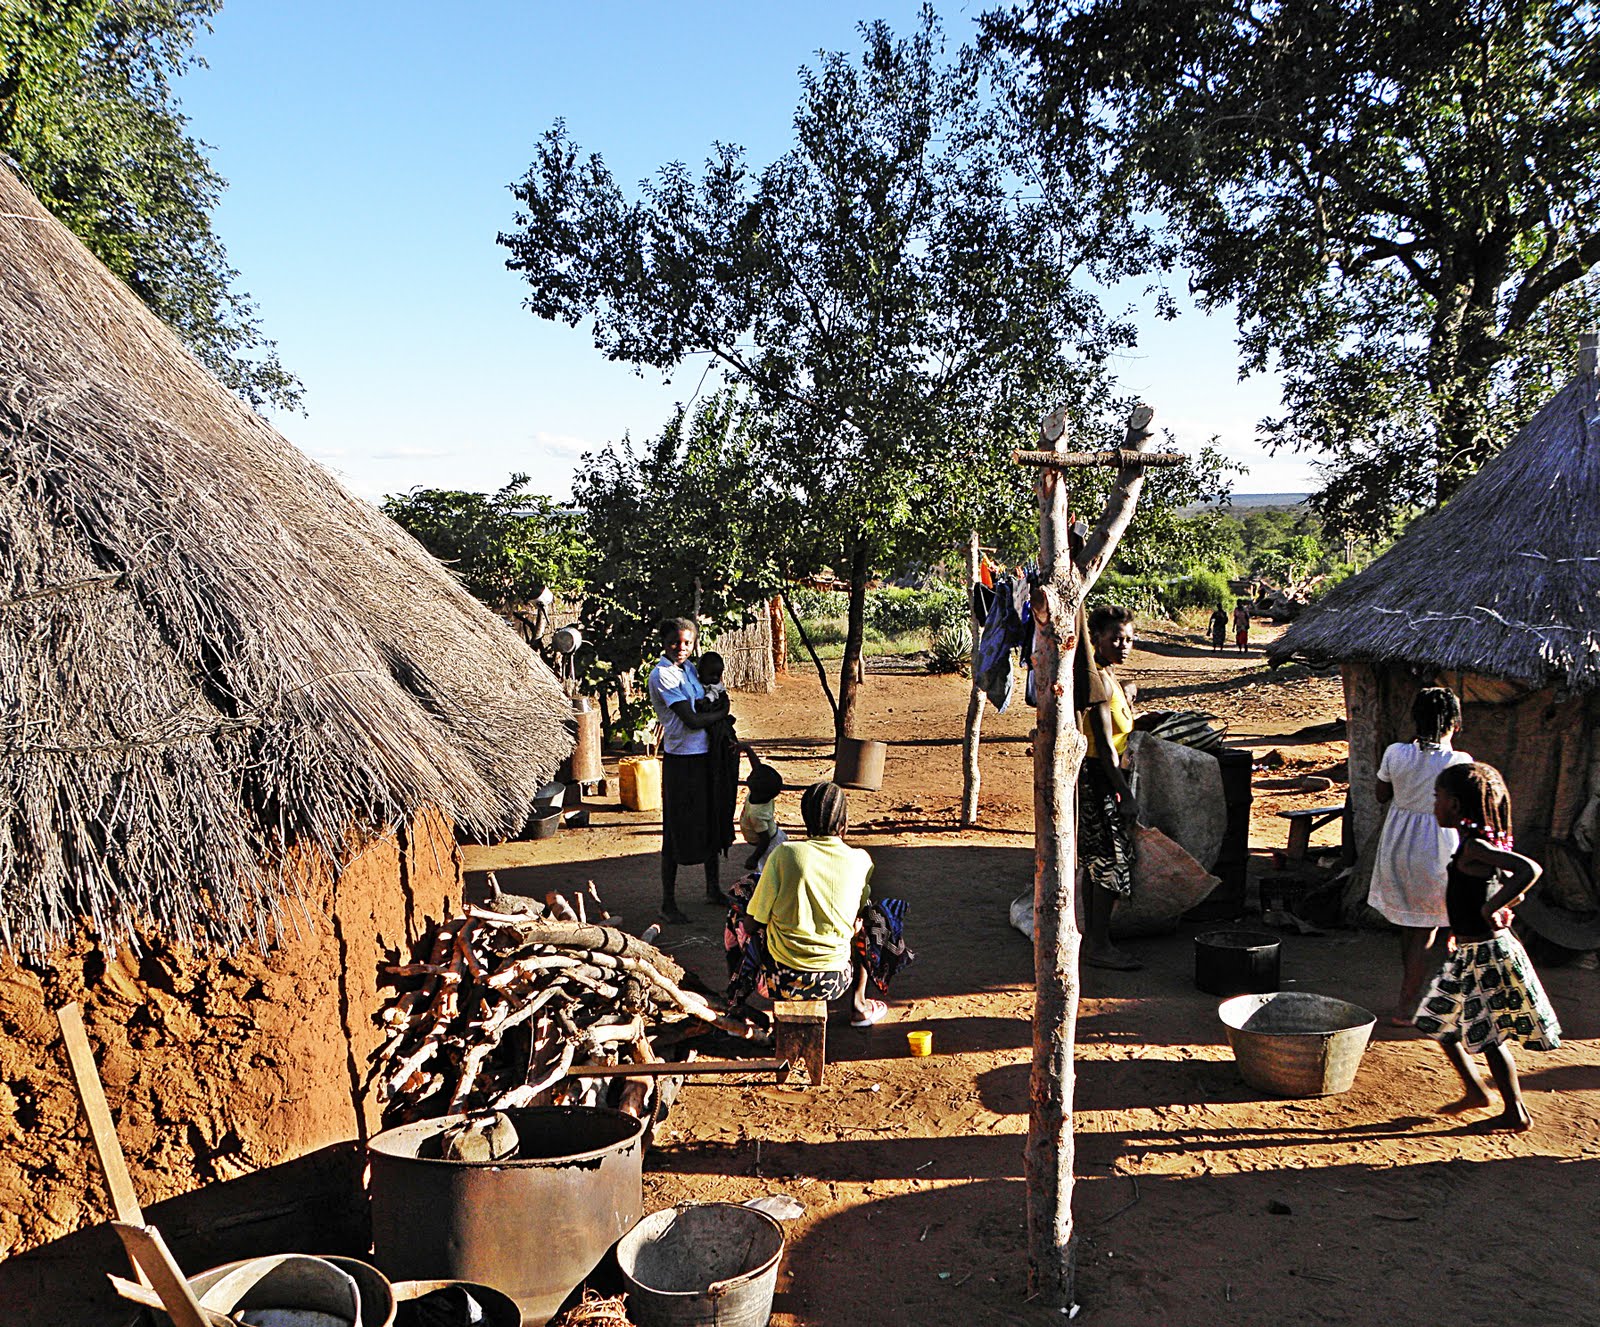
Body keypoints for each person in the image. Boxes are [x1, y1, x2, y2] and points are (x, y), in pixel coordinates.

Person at [1414, 761, 1561, 1132]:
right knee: (1439, 1021)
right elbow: (1514, 889)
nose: (1434, 804)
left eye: (1437, 797)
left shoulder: (1476, 847)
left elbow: (1529, 871)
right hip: (1472, 950)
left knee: (1488, 1036)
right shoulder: (1479, 846)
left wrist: (1490, 908)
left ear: (1455, 805)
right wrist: (1490, 911)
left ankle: (1516, 1112)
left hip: (1485, 954)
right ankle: (1477, 1091)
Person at [741, 781, 902, 1026]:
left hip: (778, 981)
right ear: (844, 824)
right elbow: (854, 915)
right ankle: (859, 1006)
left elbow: (751, 925)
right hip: (835, 981)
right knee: (872, 917)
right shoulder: (861, 861)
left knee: (740, 903)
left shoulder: (784, 854)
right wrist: (852, 931)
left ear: (806, 819)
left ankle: (736, 1006)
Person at [1370, 688, 1472, 1024]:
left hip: (1398, 844)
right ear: (1454, 723)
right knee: (1424, 930)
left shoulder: (1396, 752)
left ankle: (1408, 994)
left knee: (1410, 924)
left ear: (1416, 719)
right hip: (1436, 846)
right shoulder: (1458, 761)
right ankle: (1406, 1007)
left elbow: (1381, 794)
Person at [647, 617, 732, 923]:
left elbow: (711, 695)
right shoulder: (663, 675)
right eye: (674, 642)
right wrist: (723, 712)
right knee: (675, 830)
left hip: (704, 756)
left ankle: (713, 889)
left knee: (711, 820)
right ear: (663, 642)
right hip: (682, 761)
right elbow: (692, 720)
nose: (680, 647)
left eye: (687, 642)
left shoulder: (691, 670)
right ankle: (667, 902)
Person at [1078, 604, 1141, 970]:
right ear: (1097, 638)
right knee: (1109, 861)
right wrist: (1125, 793)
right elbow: (1103, 745)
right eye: (1116, 638)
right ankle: (1099, 946)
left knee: (1095, 863)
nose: (1124, 645)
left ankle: (1094, 939)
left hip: (1101, 774)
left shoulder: (1107, 674)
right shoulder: (1097, 679)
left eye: (1129, 639)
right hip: (1098, 776)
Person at [739, 761, 786, 873]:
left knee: (767, 873)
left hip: (769, 845)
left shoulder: (757, 814)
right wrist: (749, 751)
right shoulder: (762, 793)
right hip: (775, 835)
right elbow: (757, 767)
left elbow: (765, 840)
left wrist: (754, 858)